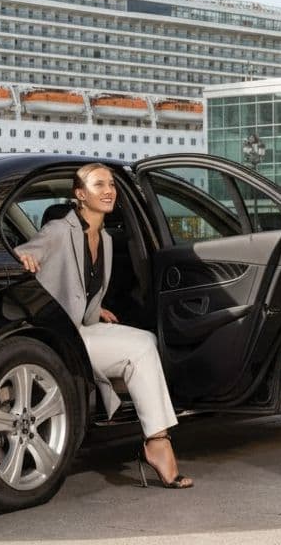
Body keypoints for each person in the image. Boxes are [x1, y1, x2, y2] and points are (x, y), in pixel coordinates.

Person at [15, 162, 193, 489]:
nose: (109, 190)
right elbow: (23, 254)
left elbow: (80, 287)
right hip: (62, 336)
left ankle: (158, 439)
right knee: (140, 348)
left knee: (147, 340)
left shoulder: (107, 240)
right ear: (80, 195)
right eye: (98, 185)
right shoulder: (58, 230)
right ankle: (158, 443)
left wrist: (96, 310)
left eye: (111, 184)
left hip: (82, 327)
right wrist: (25, 258)